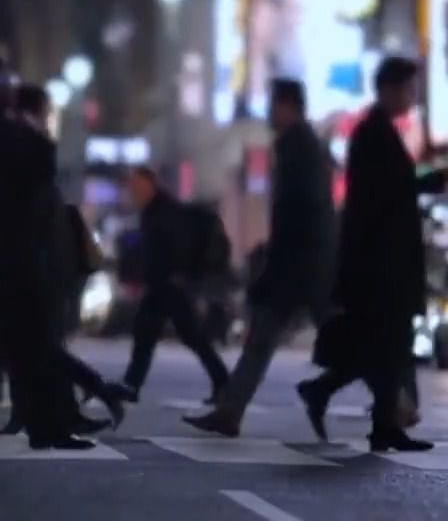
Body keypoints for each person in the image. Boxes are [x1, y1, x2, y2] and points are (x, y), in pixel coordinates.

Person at [298, 57, 440, 452]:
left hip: (384, 260)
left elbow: (394, 189)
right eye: (409, 89)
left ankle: (350, 405)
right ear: (390, 89)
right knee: (386, 345)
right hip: (380, 262)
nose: (412, 97)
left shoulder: (378, 132)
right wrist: (430, 180)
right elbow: (383, 196)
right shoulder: (371, 134)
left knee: (383, 346)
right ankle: (372, 419)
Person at [184, 80, 334, 437]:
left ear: (288, 106)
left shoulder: (299, 147)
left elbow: (298, 212)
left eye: (273, 104)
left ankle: (395, 402)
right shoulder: (299, 144)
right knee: (262, 340)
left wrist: (279, 260)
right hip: (304, 263)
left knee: (341, 337)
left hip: (303, 264)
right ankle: (229, 412)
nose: (268, 111)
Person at [0, 58, 86, 449]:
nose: (9, 87)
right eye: (1, 80)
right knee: (30, 344)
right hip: (12, 253)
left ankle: (45, 425)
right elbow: (41, 165)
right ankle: (47, 426)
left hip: (3, 252)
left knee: (24, 346)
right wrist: (37, 131)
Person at [0, 85, 122, 437]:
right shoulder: (26, 147)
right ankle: (69, 405)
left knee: (32, 344)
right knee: (31, 344)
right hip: (34, 262)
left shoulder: (21, 149)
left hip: (30, 263)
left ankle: (65, 408)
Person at [112, 167, 229, 404]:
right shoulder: (152, 211)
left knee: (179, 335)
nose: (134, 191)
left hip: (170, 284)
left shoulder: (166, 210)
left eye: (138, 185)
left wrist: (179, 274)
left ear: (150, 185)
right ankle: (132, 384)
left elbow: (178, 245)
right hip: (161, 284)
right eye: (132, 186)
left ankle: (223, 382)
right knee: (155, 334)